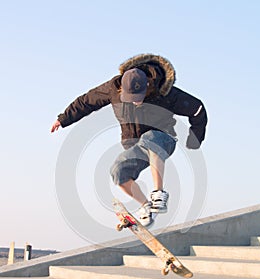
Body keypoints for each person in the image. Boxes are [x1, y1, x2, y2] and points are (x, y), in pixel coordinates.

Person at [51, 54, 207, 227]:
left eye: (138, 97)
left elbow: (198, 109)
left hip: (164, 139)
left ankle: (158, 194)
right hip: (136, 144)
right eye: (130, 98)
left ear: (148, 85)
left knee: (151, 138)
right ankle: (145, 206)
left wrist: (194, 139)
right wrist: (64, 119)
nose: (134, 102)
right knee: (118, 172)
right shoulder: (112, 88)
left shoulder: (165, 92)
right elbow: (86, 101)